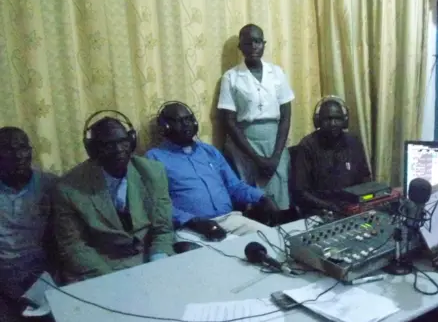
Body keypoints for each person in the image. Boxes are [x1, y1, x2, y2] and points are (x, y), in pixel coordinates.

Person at [52, 115, 174, 284]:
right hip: (101, 267)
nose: (119, 150)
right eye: (108, 145)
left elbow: (163, 228)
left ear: (132, 141)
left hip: (148, 258)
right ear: (92, 149)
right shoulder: (68, 188)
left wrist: (157, 262)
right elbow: (73, 246)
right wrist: (112, 280)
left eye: (123, 142)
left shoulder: (153, 172)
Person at [145, 101, 278, 237]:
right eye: (179, 121)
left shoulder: (209, 151)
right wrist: (193, 221)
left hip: (229, 220)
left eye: (189, 119)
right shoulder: (154, 158)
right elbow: (157, 204)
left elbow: (234, 186)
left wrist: (262, 197)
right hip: (190, 228)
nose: (187, 124)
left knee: (273, 239)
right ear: (165, 126)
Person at [218, 23, 294, 211]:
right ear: (240, 47)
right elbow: (228, 121)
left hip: (275, 142)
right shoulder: (231, 77)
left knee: (279, 192)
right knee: (252, 196)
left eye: (258, 42)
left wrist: (275, 156)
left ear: (264, 44)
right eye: (248, 43)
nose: (253, 47)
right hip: (245, 145)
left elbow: (286, 115)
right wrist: (257, 158)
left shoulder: (277, 73)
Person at [0, 127, 59, 322]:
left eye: (22, 147)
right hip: (3, 276)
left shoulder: (51, 185)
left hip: (43, 273)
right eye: (7, 149)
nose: (17, 155)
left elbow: (63, 237)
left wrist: (51, 275)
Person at [293, 96, 371, 215]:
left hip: (352, 208)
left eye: (337, 119)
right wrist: (329, 206)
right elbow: (301, 192)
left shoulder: (353, 142)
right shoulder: (307, 146)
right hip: (320, 210)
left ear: (345, 121)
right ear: (318, 121)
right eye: (328, 119)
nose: (333, 124)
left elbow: (365, 178)